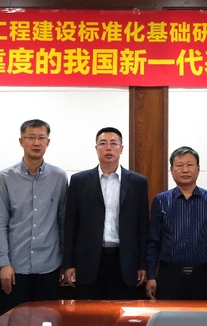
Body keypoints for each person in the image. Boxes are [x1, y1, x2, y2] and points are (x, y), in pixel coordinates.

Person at [63, 127, 149, 299]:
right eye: (103, 143)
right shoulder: (79, 181)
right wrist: (69, 264)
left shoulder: (138, 182)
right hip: (88, 262)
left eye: (113, 143)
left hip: (124, 261)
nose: (108, 148)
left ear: (121, 149)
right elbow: (70, 226)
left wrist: (142, 264)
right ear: (96, 149)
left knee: (122, 312)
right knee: (89, 313)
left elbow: (143, 227)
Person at [0, 119, 68, 313]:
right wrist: (4, 263)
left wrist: (65, 262)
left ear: (48, 142)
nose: (36, 143)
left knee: (47, 321)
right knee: (13, 323)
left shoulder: (59, 177)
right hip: (15, 267)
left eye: (41, 138)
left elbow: (63, 221)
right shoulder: (4, 177)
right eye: (31, 137)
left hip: (49, 265)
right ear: (21, 141)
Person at [146, 146, 207, 300]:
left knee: (202, 315)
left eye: (190, 165)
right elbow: (153, 242)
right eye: (180, 165)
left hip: (201, 276)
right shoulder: (161, 200)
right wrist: (151, 276)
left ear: (198, 169)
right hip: (169, 276)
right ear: (171, 170)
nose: (185, 170)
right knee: (167, 315)